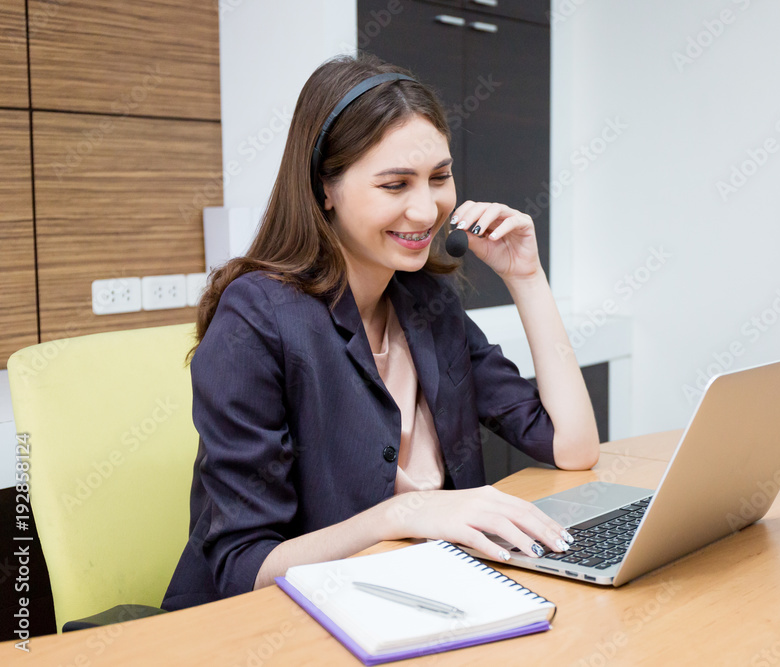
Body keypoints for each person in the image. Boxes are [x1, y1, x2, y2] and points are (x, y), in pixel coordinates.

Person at [162, 53, 600, 611]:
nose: (425, 209)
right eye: (395, 184)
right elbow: (243, 569)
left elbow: (574, 446)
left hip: (417, 598)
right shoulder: (257, 317)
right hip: (284, 625)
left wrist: (528, 278)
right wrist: (402, 515)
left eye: (439, 177)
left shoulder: (425, 301)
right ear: (326, 188)